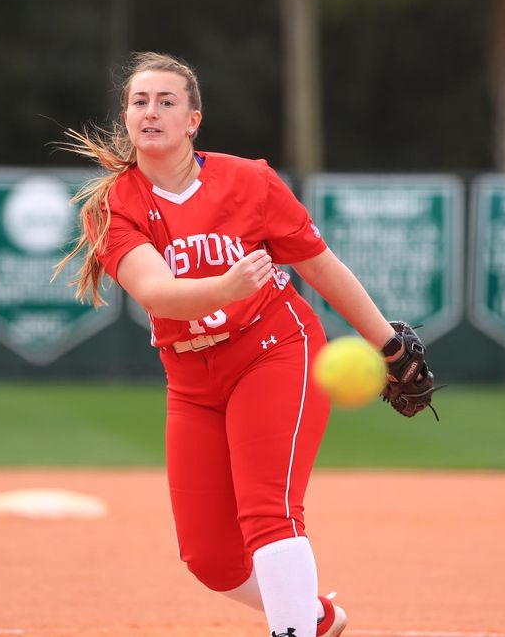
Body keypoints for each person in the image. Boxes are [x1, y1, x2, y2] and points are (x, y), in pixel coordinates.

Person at [55, 52, 420, 637]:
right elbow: (158, 293)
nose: (152, 112)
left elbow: (322, 268)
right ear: (125, 117)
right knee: (210, 558)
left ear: (192, 120)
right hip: (193, 382)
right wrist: (226, 284)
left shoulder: (250, 180)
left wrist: (390, 345)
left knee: (269, 514)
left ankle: (292, 630)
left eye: (167, 101)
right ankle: (314, 617)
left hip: (274, 349)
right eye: (139, 102)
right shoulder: (113, 206)